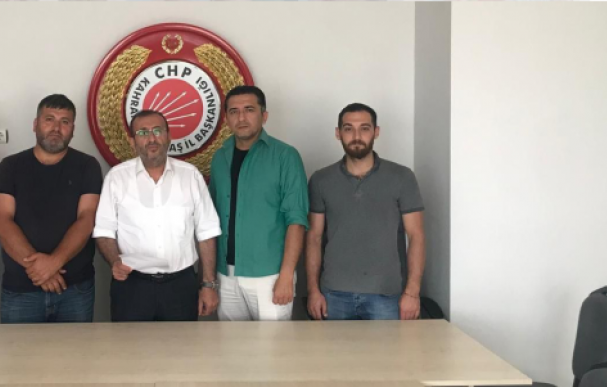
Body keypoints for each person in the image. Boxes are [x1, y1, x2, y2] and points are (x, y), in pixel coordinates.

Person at [94, 110, 222, 321]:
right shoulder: (116, 178)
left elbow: (206, 232)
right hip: (131, 286)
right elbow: (104, 231)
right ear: (132, 141)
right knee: (128, 343)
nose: (151, 138)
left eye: (157, 130)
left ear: (169, 136)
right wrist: (114, 261)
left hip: (181, 286)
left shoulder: (190, 176)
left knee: (181, 343)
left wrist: (208, 284)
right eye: (143, 132)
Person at [305, 103, 426, 321]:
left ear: (376, 132)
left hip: (387, 294)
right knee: (334, 346)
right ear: (338, 133)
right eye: (348, 129)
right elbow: (314, 237)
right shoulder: (321, 180)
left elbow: (416, 236)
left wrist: (412, 292)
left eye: (364, 128)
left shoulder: (402, 177)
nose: (356, 136)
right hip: (333, 295)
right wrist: (313, 291)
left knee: (388, 347)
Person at [0, 94, 103, 323]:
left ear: (73, 129)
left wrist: (53, 263)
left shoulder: (87, 165)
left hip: (74, 290)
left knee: (76, 348)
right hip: (21, 290)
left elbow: (87, 218)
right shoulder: (10, 166)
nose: (56, 128)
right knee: (17, 349)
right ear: (35, 124)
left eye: (65, 121)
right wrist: (41, 271)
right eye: (49, 119)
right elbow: (2, 220)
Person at [209, 85, 309, 321]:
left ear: (264, 115)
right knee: (231, 343)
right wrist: (210, 278)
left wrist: (287, 275)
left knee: (273, 344)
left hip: (269, 276)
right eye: (234, 111)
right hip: (225, 276)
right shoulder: (220, 157)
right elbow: (210, 219)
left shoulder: (285, 156)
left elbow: (296, 220)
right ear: (226, 119)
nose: (241, 117)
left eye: (249, 109)